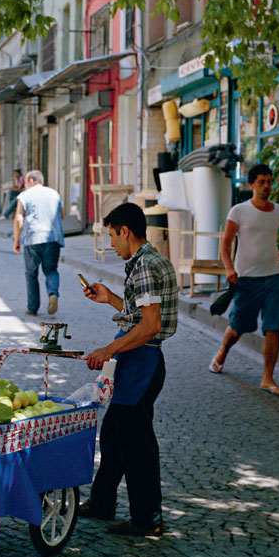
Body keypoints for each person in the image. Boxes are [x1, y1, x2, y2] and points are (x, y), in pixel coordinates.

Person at [79, 202, 178, 537]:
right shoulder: (143, 262)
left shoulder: (146, 265)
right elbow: (140, 314)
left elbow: (150, 326)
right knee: (113, 435)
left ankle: (147, 519)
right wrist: (111, 299)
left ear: (125, 231)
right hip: (137, 359)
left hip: (142, 362)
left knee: (137, 445)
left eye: (112, 236)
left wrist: (108, 349)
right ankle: (102, 503)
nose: (111, 244)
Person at [210, 163, 279, 396]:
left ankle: (267, 378)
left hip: (274, 277)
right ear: (251, 184)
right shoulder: (239, 211)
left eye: (269, 181)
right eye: (262, 182)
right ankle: (223, 352)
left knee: (274, 327)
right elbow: (225, 243)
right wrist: (228, 268)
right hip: (247, 279)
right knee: (238, 326)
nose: (267, 186)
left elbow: (270, 238)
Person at [13, 170, 64, 316]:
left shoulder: (25, 195)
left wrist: (16, 240)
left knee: (31, 274)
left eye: (25, 183)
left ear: (31, 181)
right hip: (52, 238)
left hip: (33, 238)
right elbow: (61, 215)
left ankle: (32, 307)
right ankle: (53, 293)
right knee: (51, 270)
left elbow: (18, 219)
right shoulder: (55, 194)